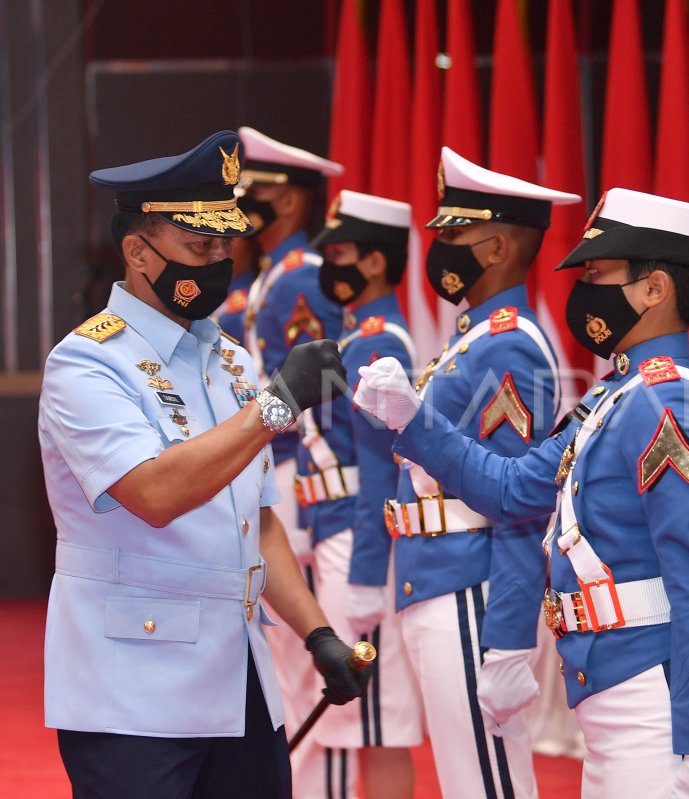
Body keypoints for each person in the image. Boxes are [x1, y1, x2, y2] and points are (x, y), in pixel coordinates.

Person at [354, 187, 689, 799]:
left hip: (652, 694)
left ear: (655, 289)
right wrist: (413, 420)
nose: (585, 288)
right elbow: (511, 490)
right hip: (608, 690)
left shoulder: (670, 401)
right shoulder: (618, 394)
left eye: (599, 272)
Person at [39, 130, 365, 798]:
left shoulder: (232, 361)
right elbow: (156, 491)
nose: (218, 262)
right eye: (198, 248)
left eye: (224, 246)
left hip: (238, 680)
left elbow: (256, 520)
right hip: (133, 691)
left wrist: (318, 631)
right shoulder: (87, 361)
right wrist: (275, 405)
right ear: (137, 250)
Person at [346, 147, 576, 798]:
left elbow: (518, 496)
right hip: (435, 576)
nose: (440, 246)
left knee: (489, 785)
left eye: (456, 233)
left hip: (472, 586)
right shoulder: (469, 339)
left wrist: (508, 639)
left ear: (499, 245)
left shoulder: (507, 342)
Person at [236, 125, 355, 796]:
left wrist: (309, 489)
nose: (240, 204)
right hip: (270, 466)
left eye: (254, 191)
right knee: (279, 650)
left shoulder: (302, 276)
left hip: (295, 472)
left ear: (287, 203)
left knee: (300, 648)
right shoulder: (269, 278)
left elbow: (323, 392)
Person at [301, 189, 422, 799]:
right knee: (355, 723)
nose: (329, 265)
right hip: (337, 530)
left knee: (377, 722)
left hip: (359, 538)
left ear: (374, 261)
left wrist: (368, 572)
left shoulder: (381, 342)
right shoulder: (357, 336)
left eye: (341, 251)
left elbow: (382, 468)